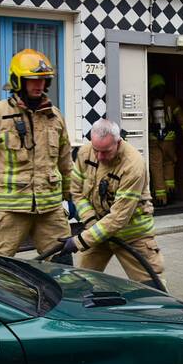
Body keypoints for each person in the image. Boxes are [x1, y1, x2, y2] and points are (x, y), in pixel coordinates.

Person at [0, 49, 72, 257]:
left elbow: (65, 161)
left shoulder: (55, 117)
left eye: (43, 80)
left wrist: (72, 194)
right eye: (32, 80)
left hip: (50, 210)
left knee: (62, 266)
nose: (39, 85)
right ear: (18, 81)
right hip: (9, 210)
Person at [63, 119, 166, 287]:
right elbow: (77, 191)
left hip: (132, 235)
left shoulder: (133, 164)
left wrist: (80, 241)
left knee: (152, 289)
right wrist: (91, 221)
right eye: (96, 150)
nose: (99, 156)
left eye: (105, 152)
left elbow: (119, 217)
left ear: (118, 143)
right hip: (97, 231)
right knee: (82, 283)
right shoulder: (85, 152)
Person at [148, 73, 183, 206]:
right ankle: (170, 192)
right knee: (169, 164)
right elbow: (181, 118)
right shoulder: (171, 100)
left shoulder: (148, 100)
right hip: (170, 140)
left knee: (156, 167)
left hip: (154, 140)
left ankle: (161, 198)